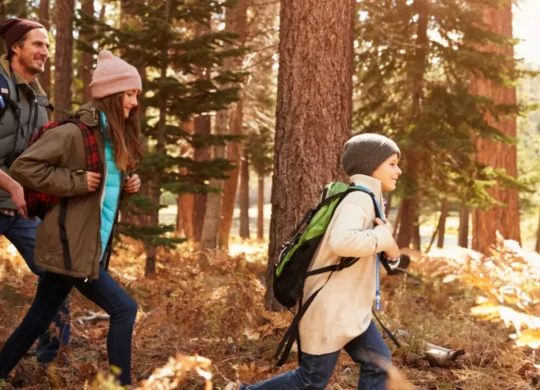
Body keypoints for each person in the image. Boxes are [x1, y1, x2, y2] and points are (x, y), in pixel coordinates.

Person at [0, 50, 143, 386]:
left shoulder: (113, 137)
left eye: (136, 95)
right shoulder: (76, 133)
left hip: (85, 243)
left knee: (38, 319)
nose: (134, 102)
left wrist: (127, 185)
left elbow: (101, 192)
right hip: (72, 246)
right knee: (125, 309)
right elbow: (24, 167)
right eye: (130, 94)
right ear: (111, 94)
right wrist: (75, 182)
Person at [229, 133, 403, 390]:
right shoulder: (359, 199)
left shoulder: (369, 198)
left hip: (349, 308)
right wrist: (381, 236)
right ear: (370, 165)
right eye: (392, 163)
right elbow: (342, 242)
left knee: (379, 364)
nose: (398, 170)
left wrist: (389, 247)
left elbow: (379, 247)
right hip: (330, 308)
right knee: (311, 380)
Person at [0, 17, 70, 364]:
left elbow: (49, 155)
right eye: (37, 44)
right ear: (15, 47)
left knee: (58, 273)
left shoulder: (41, 100)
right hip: (8, 196)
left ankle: (52, 364)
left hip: (23, 210)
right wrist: (12, 184)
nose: (45, 51)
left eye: (47, 45)